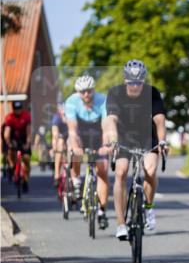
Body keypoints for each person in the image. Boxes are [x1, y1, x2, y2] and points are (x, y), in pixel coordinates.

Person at [104, 60, 168, 239]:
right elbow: (112, 120)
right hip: (124, 136)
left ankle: (148, 207)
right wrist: (113, 140)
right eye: (131, 82)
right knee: (121, 172)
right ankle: (121, 224)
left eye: (139, 82)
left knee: (150, 169)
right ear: (125, 81)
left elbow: (160, 121)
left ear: (143, 81)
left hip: (147, 136)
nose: (135, 86)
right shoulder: (115, 93)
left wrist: (162, 141)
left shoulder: (152, 93)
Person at [65, 76, 110, 229]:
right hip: (80, 132)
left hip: (97, 133)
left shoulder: (102, 100)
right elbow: (72, 130)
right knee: (73, 150)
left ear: (94, 90)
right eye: (83, 92)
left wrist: (105, 145)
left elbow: (105, 126)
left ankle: (102, 212)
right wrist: (76, 146)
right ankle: (76, 180)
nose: (86, 95)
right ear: (78, 92)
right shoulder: (71, 102)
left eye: (89, 91)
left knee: (102, 170)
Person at [2, 101, 32, 189]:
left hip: (24, 138)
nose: (18, 111)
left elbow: (29, 131)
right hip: (13, 137)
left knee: (26, 159)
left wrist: (27, 143)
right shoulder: (9, 117)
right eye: (16, 109)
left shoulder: (26, 116)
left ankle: (25, 180)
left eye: (19, 109)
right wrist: (9, 143)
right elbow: (7, 133)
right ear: (13, 109)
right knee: (11, 151)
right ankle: (12, 166)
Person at [51, 104, 70, 188]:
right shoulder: (57, 118)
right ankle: (57, 174)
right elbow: (55, 133)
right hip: (60, 137)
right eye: (62, 110)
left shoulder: (72, 117)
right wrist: (54, 145)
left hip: (70, 137)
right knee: (60, 144)